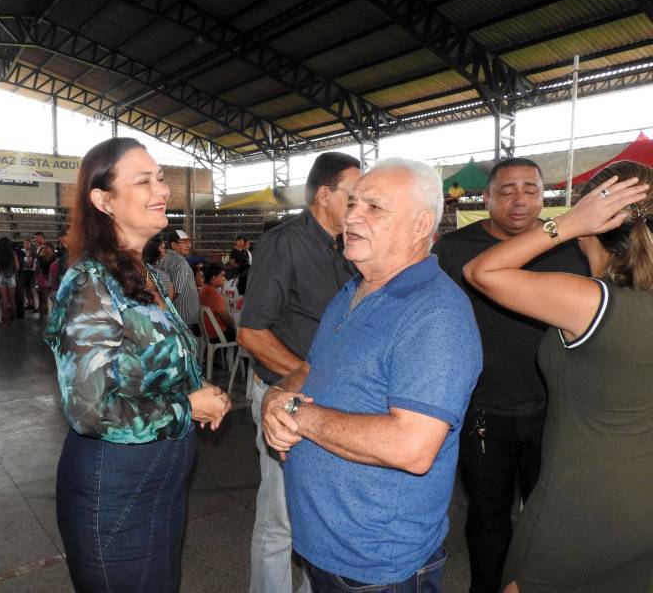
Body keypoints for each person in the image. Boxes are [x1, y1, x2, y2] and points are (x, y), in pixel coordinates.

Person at [261, 158, 482, 592]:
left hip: (377, 565)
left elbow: (412, 446)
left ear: (421, 225)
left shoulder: (436, 315)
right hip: (329, 548)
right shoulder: (352, 290)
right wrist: (276, 396)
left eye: (375, 207)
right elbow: (309, 369)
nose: (352, 217)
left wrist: (298, 417)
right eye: (353, 203)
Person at [43, 137, 231, 593]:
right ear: (104, 200)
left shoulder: (152, 276)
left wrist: (203, 388)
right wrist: (189, 406)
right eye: (143, 180)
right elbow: (91, 410)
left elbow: (155, 364)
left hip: (160, 479)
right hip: (116, 486)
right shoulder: (90, 283)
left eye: (161, 178)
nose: (161, 189)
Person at [463, 160, 653, 593]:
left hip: (583, 501)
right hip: (643, 498)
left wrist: (563, 224)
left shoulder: (594, 302)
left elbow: (481, 272)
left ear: (592, 221)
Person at [432, 158, 589, 593]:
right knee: (487, 516)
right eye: (506, 190)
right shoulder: (453, 251)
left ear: (544, 195)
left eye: (530, 189)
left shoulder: (572, 248)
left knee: (547, 516)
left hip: (554, 408)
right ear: (486, 198)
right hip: (483, 409)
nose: (519, 199)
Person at [238, 151, 361, 593]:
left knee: (319, 516)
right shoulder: (284, 242)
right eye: (353, 193)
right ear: (324, 194)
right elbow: (251, 332)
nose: (360, 203)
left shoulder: (350, 246)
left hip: (332, 402)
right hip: (285, 397)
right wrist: (306, 373)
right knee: (281, 519)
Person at [160, 229, 200, 335]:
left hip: (174, 316)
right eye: (184, 242)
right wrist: (165, 310)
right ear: (174, 245)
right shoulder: (181, 262)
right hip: (184, 318)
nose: (188, 245)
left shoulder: (165, 258)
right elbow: (176, 290)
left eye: (189, 242)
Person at [199, 263, 235, 343]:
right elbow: (226, 318)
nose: (224, 278)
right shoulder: (213, 293)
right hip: (217, 334)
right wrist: (236, 328)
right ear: (213, 278)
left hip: (207, 333)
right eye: (222, 276)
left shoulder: (204, 288)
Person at [0, 237, 19, 325]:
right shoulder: (13, 254)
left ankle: (5, 321)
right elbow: (18, 267)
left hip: (1, 277)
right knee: (12, 299)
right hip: (11, 277)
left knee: (4, 299)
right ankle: (14, 319)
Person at [142, 233, 174, 299]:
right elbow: (169, 299)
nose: (165, 252)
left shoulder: (138, 270)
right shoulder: (160, 275)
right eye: (162, 248)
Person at [33, 243, 56, 321]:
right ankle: (43, 315)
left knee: (44, 298)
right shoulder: (41, 257)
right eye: (45, 248)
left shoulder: (54, 258)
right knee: (42, 298)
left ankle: (42, 317)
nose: (45, 249)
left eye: (47, 247)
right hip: (42, 279)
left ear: (51, 249)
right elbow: (37, 269)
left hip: (49, 279)